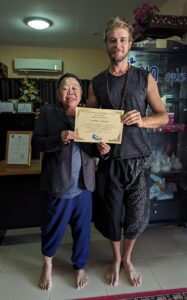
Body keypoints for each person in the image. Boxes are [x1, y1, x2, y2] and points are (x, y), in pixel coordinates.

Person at [87, 17, 169, 288]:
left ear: (130, 43)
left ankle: (128, 258)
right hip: (110, 162)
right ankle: (115, 257)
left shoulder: (144, 78)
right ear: (106, 45)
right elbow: (89, 124)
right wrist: (97, 142)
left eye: (123, 39)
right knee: (110, 215)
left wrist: (142, 120)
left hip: (138, 159)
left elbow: (163, 117)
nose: (118, 44)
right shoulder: (96, 82)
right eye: (113, 40)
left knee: (136, 215)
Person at [32, 73, 110, 291]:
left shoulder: (89, 115)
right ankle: (47, 265)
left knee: (83, 230)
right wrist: (60, 137)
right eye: (65, 88)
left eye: (75, 87)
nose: (71, 92)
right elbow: (36, 144)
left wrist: (103, 151)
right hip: (58, 185)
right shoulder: (48, 113)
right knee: (52, 229)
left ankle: (79, 266)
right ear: (59, 94)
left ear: (82, 93)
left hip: (84, 186)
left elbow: (94, 147)